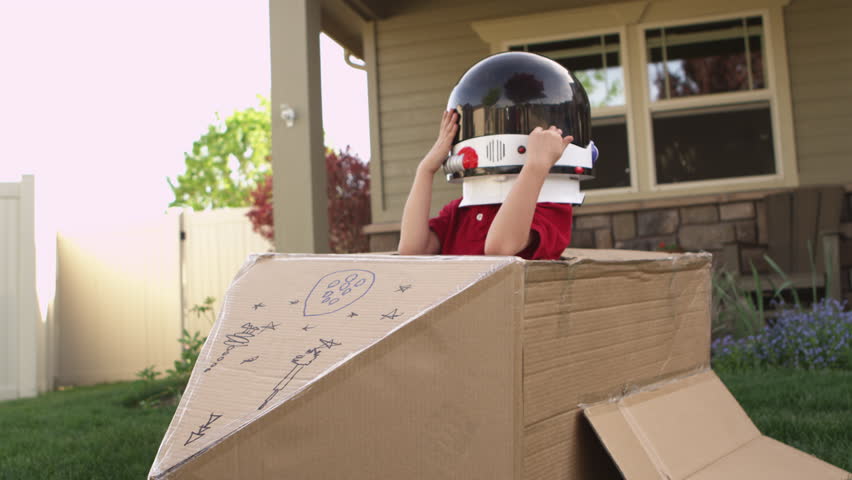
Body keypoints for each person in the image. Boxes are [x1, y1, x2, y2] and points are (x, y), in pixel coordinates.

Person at [397, 111, 574, 260]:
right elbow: (412, 251)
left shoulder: (552, 205)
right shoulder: (462, 208)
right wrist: (425, 170)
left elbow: (499, 248)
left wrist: (536, 166)